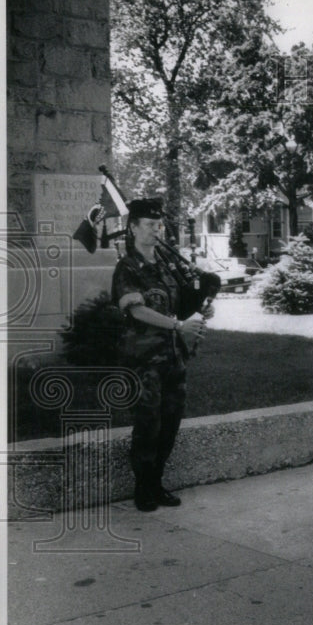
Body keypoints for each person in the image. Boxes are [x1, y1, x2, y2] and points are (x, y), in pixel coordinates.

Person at [111, 198, 211, 512]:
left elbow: (181, 303)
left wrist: (201, 307)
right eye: (150, 225)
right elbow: (137, 310)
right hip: (145, 359)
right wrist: (177, 324)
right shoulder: (128, 267)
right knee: (148, 423)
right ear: (133, 227)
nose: (157, 230)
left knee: (170, 423)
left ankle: (157, 482)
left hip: (174, 357)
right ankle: (143, 487)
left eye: (159, 225)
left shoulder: (168, 265)